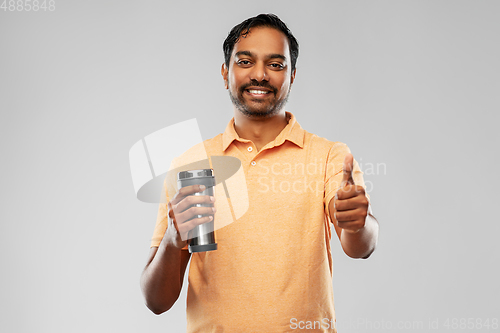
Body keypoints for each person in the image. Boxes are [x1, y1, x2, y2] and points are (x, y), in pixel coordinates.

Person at [140, 13, 379, 332]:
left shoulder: (328, 156)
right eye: (245, 61)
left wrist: (359, 223)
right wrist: (172, 239)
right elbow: (156, 301)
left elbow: (358, 246)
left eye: (276, 64)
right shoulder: (192, 164)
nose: (260, 74)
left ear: (292, 75)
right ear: (225, 73)